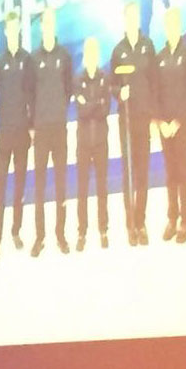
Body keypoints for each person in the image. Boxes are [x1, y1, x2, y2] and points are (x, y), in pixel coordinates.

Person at [0, 10, 35, 263]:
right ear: (6, 32)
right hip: (3, 136)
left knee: (18, 187)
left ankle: (15, 231)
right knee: (0, 189)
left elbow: (32, 94)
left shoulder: (27, 60)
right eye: (9, 28)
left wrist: (32, 127)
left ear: (18, 30)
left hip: (22, 136)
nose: (13, 32)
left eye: (16, 27)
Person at [110, 0, 157, 245]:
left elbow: (154, 81)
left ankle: (141, 222)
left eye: (135, 17)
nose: (132, 21)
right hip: (125, 120)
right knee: (128, 171)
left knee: (143, 171)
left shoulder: (148, 46)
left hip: (143, 117)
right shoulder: (118, 51)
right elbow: (111, 85)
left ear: (138, 20)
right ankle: (130, 224)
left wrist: (155, 116)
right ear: (124, 20)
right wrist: (119, 93)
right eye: (128, 17)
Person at [30, 6, 73, 256]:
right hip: (41, 131)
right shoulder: (33, 59)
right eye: (44, 22)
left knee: (60, 184)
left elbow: (67, 90)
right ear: (41, 27)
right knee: (39, 185)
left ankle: (60, 234)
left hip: (59, 129)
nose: (47, 26)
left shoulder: (64, 56)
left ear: (54, 26)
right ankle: (40, 236)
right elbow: (30, 93)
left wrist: (57, 111)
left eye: (51, 22)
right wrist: (34, 124)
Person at [154, 6, 186, 243]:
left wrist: (178, 121)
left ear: (179, 26)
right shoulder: (159, 57)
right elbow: (156, 92)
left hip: (182, 125)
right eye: (167, 24)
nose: (171, 28)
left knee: (183, 171)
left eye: (174, 24)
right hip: (165, 126)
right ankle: (172, 217)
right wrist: (161, 121)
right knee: (170, 173)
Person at [73, 36, 111, 251]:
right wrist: (94, 105)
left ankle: (103, 228)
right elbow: (82, 111)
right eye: (88, 53)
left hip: (101, 141)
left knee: (102, 187)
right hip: (84, 142)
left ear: (97, 55)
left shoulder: (105, 77)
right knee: (82, 188)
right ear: (85, 56)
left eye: (94, 53)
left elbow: (106, 109)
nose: (91, 57)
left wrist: (91, 104)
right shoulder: (78, 80)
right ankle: (82, 231)